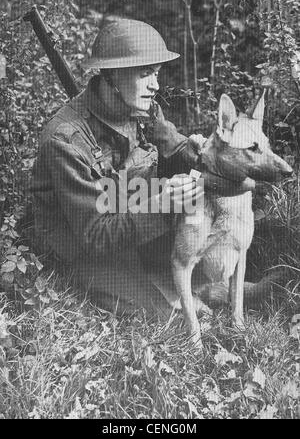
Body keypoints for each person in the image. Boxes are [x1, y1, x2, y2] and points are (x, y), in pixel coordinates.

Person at [30, 18, 256, 316]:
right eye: (145, 74)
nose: (156, 85)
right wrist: (161, 206)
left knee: (202, 242)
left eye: (156, 73)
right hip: (85, 248)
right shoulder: (66, 142)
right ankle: (173, 294)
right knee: (166, 317)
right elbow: (95, 235)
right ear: (112, 76)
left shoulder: (142, 109)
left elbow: (173, 146)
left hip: (128, 220)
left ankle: (201, 287)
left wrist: (195, 152)